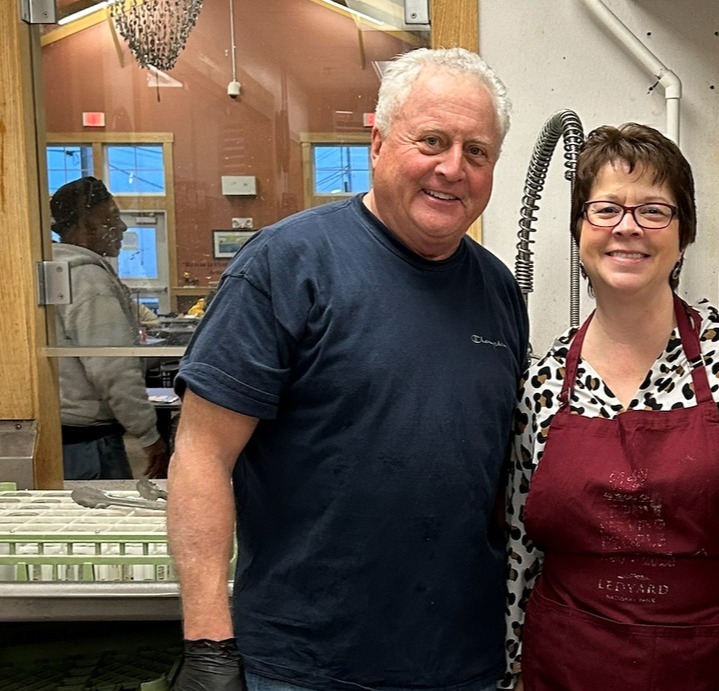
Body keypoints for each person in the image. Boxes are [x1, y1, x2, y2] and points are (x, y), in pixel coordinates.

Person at [167, 47, 528, 691]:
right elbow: (200, 455)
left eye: (477, 152)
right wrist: (209, 646)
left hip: (460, 662)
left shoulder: (498, 291)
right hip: (305, 664)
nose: (453, 168)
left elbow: (495, 478)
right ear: (379, 139)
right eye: (432, 141)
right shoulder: (285, 265)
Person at [504, 123, 719, 690]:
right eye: (605, 210)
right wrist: (510, 675)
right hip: (565, 666)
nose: (627, 227)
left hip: (712, 666)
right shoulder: (542, 382)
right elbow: (520, 550)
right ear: (579, 230)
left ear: (683, 235)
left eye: (653, 210)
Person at [51, 176, 170, 480]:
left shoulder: (58, 270)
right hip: (88, 444)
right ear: (87, 226)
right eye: (112, 218)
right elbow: (112, 366)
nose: (122, 228)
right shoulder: (88, 279)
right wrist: (148, 435)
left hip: (70, 435)